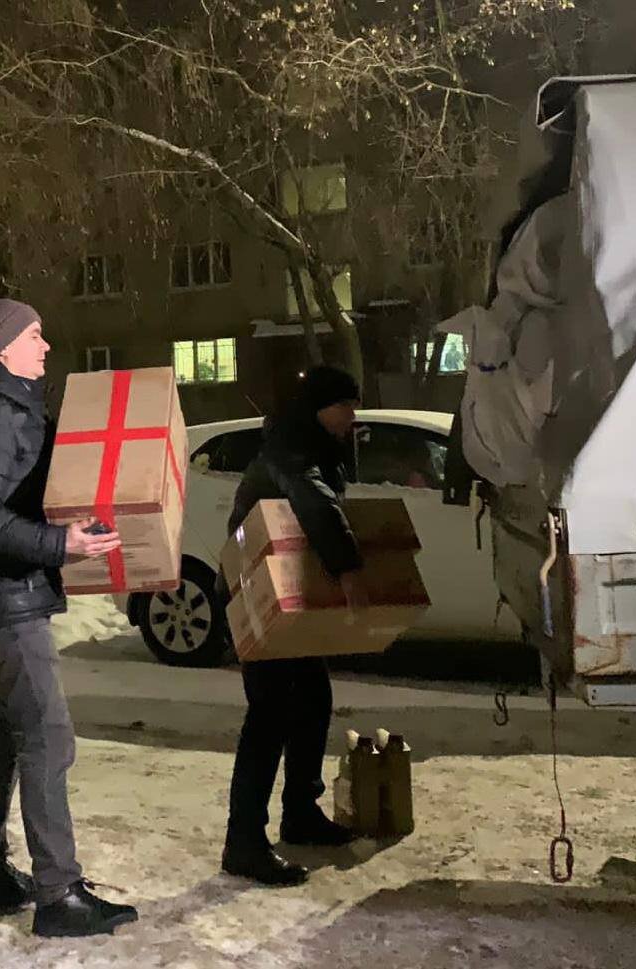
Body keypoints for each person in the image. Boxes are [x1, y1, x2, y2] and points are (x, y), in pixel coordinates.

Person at [0, 298, 138, 938]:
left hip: (5, 593)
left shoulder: (10, 403)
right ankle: (59, 895)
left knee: (10, 730)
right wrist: (59, 545)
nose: (45, 345)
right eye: (34, 334)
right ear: (4, 346)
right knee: (48, 738)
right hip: (4, 599)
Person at [221, 365, 369, 887]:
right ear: (318, 407)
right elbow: (314, 502)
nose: (351, 417)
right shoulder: (291, 449)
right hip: (255, 595)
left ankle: (301, 813)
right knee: (269, 716)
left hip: (286, 595)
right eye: (344, 406)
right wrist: (348, 569)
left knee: (312, 701)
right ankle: (244, 843)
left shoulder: (317, 448)